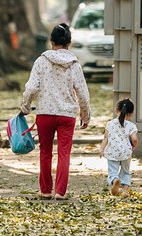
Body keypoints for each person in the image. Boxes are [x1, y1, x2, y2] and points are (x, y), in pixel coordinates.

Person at [20, 23, 91, 200]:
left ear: (51, 42)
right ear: (69, 43)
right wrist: (85, 115)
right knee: (64, 153)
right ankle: (60, 192)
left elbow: (31, 88)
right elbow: (82, 92)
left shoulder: (41, 61)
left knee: (45, 152)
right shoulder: (74, 64)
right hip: (67, 115)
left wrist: (25, 106)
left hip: (45, 113)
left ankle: (45, 190)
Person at [99, 98, 138, 197]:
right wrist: (134, 146)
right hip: (125, 153)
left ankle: (115, 180)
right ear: (131, 113)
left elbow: (106, 138)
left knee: (112, 171)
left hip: (112, 152)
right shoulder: (131, 125)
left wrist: (101, 149)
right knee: (125, 172)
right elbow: (134, 139)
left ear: (117, 110)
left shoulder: (110, 124)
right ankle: (125, 191)